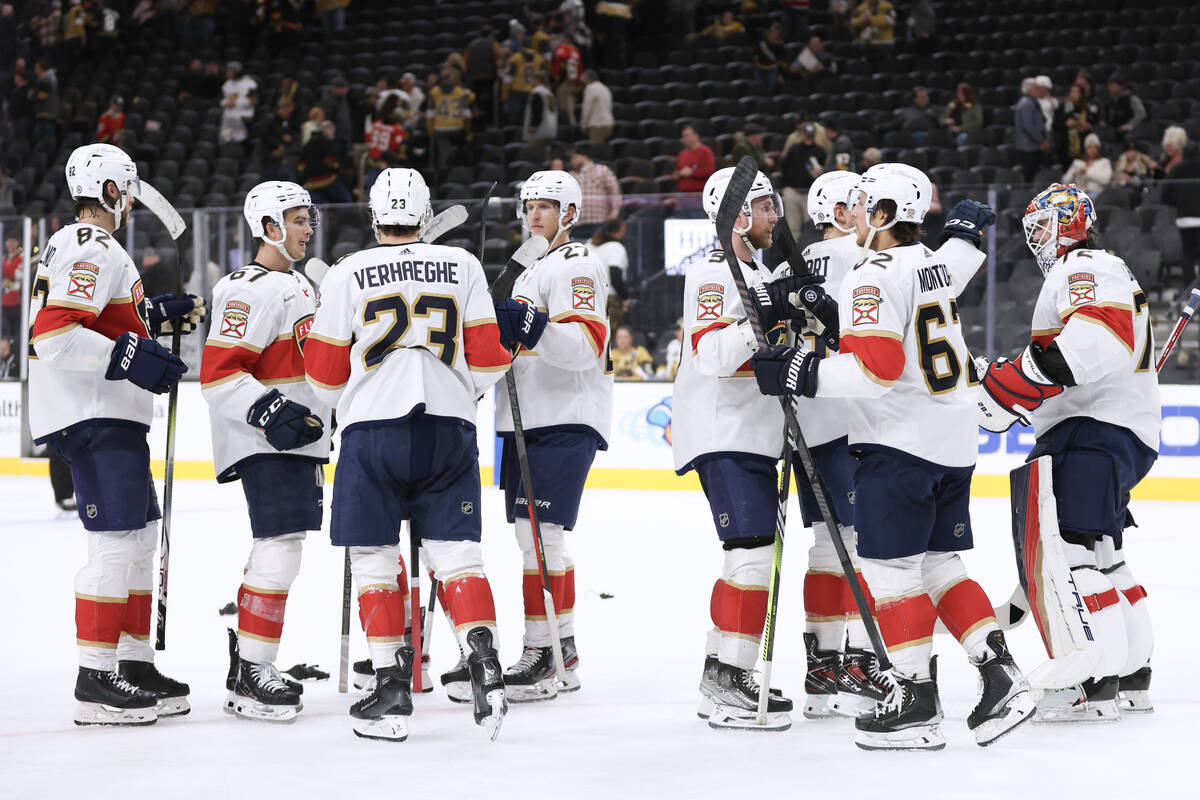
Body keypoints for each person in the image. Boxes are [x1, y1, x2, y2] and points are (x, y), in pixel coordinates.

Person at [751, 164, 1034, 751]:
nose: (851, 215)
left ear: (881, 215)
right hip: (952, 441)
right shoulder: (928, 263)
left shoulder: (872, 273)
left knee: (889, 574)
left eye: (861, 205)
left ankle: (914, 700)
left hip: (899, 443)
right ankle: (1000, 675)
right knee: (939, 566)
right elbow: (898, 331)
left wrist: (802, 373)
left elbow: (875, 371)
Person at [304, 168, 512, 741]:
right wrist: (456, 388)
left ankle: (392, 690)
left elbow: (322, 379)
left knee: (373, 559)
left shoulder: (347, 271)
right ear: (425, 215)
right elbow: (493, 361)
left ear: (373, 217)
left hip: (373, 431)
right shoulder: (464, 265)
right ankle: (486, 669)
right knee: (459, 557)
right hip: (449, 428)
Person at [28, 144, 203, 726]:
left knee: (142, 536)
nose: (128, 200)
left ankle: (131, 662)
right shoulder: (91, 243)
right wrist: (132, 354)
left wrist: (152, 317)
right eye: (124, 189)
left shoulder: (89, 248)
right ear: (107, 191)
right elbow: (53, 335)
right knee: (116, 543)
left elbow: (101, 317)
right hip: (94, 414)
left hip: (110, 415)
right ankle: (94, 678)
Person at [976, 183, 1158, 720]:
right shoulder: (1105, 268)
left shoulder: (1083, 265)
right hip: (1115, 430)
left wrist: (1010, 386)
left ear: (1067, 223)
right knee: (1105, 555)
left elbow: (1096, 342)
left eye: (1039, 226)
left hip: (1090, 433)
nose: (1034, 238)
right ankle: (1131, 671)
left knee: (1072, 555)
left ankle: (1091, 680)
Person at [673, 166, 807, 731]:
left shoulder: (753, 268)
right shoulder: (711, 272)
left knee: (741, 559)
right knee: (752, 557)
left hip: (751, 435)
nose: (776, 216)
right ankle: (733, 677)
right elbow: (710, 355)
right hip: (724, 432)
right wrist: (768, 309)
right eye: (765, 205)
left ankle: (718, 670)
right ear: (735, 215)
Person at [200, 181, 329, 722]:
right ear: (270, 227)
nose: (307, 228)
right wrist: (271, 412)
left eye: (308, 219)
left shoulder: (297, 284)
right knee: (280, 547)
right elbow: (218, 373)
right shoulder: (247, 288)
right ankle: (254, 671)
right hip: (267, 440)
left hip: (299, 440)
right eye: (298, 220)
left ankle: (248, 664)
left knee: (280, 546)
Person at [494, 170, 612, 702]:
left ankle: (543, 650)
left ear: (569, 212)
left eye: (546, 206)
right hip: (526, 418)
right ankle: (558, 648)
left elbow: (585, 344)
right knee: (534, 537)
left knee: (540, 536)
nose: (534, 215)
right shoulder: (528, 270)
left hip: (563, 415)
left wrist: (529, 324)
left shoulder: (576, 263)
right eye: (529, 206)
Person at [1160, 126, 1200, 289]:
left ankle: (1189, 292)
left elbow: (1165, 196)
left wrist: (1180, 203)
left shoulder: (1177, 170)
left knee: (1188, 256)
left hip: (1185, 219)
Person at [780, 121, 827, 241]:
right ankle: (794, 255)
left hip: (810, 194)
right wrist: (786, 187)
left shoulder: (820, 151)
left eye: (811, 136)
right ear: (802, 135)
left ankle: (810, 252)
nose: (809, 139)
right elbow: (783, 167)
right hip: (793, 191)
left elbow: (825, 173)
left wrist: (821, 171)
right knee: (793, 227)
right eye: (807, 136)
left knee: (812, 226)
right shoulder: (794, 149)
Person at [426, 68, 474, 174]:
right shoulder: (460, 92)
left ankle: (444, 174)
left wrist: (430, 131)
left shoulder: (434, 92)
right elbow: (467, 114)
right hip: (458, 127)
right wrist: (467, 129)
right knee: (461, 149)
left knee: (444, 154)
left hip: (440, 128)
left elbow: (429, 114)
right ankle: (461, 171)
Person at [568, 143, 621, 239]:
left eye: (574, 158)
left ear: (583, 156)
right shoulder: (571, 175)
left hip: (599, 221)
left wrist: (615, 210)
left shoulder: (602, 170)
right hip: (577, 224)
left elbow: (614, 192)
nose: (572, 161)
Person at [588, 218, 630, 328]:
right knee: (610, 340)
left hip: (586, 299)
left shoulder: (588, 246)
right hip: (609, 301)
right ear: (620, 231)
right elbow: (615, 276)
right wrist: (625, 298)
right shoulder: (616, 247)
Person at [1016, 77, 1051, 184]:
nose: (1038, 90)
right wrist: (1041, 141)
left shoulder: (1030, 101)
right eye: (1036, 88)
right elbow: (1028, 126)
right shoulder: (1027, 103)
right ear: (1029, 90)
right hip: (1029, 147)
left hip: (1032, 146)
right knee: (1030, 177)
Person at [220, 61, 257, 145]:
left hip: (245, 117)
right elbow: (222, 99)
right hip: (229, 118)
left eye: (230, 71)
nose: (227, 73)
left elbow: (254, 100)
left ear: (237, 72)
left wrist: (236, 103)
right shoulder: (227, 84)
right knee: (228, 143)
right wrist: (225, 102)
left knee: (240, 143)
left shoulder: (249, 83)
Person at [673, 124, 715, 193]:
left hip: (699, 193)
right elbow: (679, 171)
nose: (684, 139)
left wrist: (692, 172)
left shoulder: (705, 151)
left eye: (687, 136)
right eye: (683, 136)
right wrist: (677, 174)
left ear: (696, 136)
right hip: (683, 194)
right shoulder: (682, 153)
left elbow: (709, 171)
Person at [579, 70, 613, 145]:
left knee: (596, 153)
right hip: (609, 124)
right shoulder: (605, 88)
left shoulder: (590, 88)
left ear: (588, 80)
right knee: (603, 151)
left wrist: (584, 125)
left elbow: (587, 108)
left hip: (597, 124)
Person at [1, 232, 22, 340]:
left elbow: (19, 279)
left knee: (15, 332)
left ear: (17, 243)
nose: (10, 244)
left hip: (17, 302)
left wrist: (8, 283)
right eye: (8, 241)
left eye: (13, 241)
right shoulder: (2, 259)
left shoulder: (21, 259)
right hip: (4, 302)